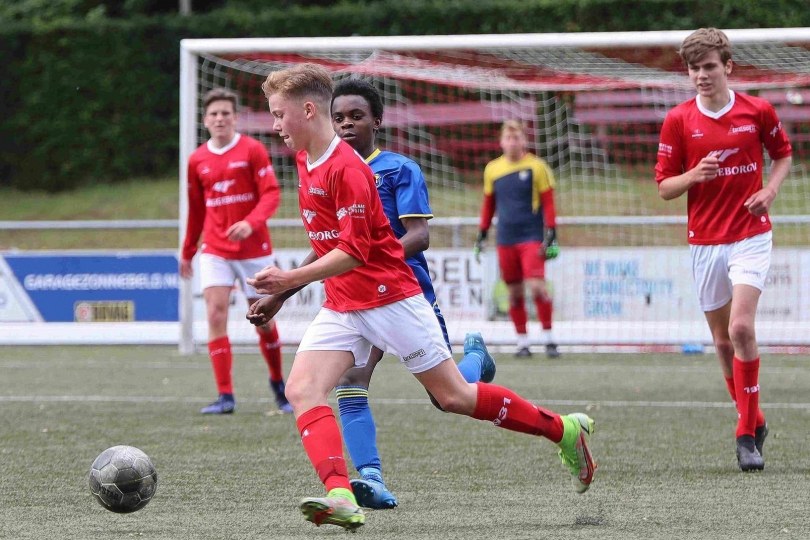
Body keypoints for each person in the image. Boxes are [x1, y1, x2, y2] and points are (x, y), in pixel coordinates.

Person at [247, 63, 597, 531]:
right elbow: (328, 239)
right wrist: (284, 295)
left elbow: (353, 252)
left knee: (453, 397)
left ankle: (563, 430)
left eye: (278, 114)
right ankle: (340, 495)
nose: (274, 125)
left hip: (391, 299)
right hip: (344, 305)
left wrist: (288, 279)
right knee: (303, 389)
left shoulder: (348, 170)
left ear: (308, 110)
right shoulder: (305, 160)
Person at [328, 78, 498, 510]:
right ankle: (371, 478)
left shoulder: (399, 169)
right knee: (350, 380)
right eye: (339, 118)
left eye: (356, 116)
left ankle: (476, 360)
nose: (346, 124)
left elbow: (419, 236)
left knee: (447, 399)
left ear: (376, 121)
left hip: (405, 291)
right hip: (355, 295)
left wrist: (368, 259)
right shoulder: (327, 174)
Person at [655, 28, 792, 471]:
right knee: (720, 341)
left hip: (750, 234)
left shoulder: (757, 110)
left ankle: (745, 435)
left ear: (727, 66)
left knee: (741, 330)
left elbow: (783, 155)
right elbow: (664, 188)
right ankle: (755, 417)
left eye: (709, 66)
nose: (701, 75)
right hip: (705, 242)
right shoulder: (679, 120)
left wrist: (770, 190)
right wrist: (694, 175)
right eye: (694, 68)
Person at [180, 87, 292, 415]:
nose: (220, 119)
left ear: (235, 118)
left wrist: (250, 223)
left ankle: (278, 385)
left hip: (254, 250)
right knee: (215, 314)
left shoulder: (252, 150)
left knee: (262, 317)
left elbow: (271, 193)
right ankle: (225, 395)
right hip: (215, 249)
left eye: (225, 113)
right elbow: (196, 210)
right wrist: (188, 251)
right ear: (205, 120)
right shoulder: (197, 160)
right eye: (214, 114)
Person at [475, 120, 561, 359]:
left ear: (524, 141)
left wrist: (552, 232)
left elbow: (548, 202)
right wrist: (482, 233)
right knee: (513, 292)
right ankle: (522, 342)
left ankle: (549, 339)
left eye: (516, 138)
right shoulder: (492, 169)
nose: (512, 142)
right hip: (506, 237)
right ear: (501, 142)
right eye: (508, 138)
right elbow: (488, 204)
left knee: (537, 287)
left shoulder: (537, 166)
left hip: (531, 235)